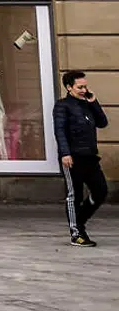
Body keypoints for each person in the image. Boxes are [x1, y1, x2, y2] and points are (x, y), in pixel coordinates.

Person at [55, 69, 108, 247]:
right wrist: (65, 153)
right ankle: (76, 233)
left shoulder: (87, 104)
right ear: (69, 87)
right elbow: (60, 131)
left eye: (85, 86)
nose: (84, 90)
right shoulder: (62, 106)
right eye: (80, 87)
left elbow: (103, 122)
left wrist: (94, 102)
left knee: (101, 191)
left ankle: (80, 220)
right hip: (72, 158)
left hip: (90, 157)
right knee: (73, 196)